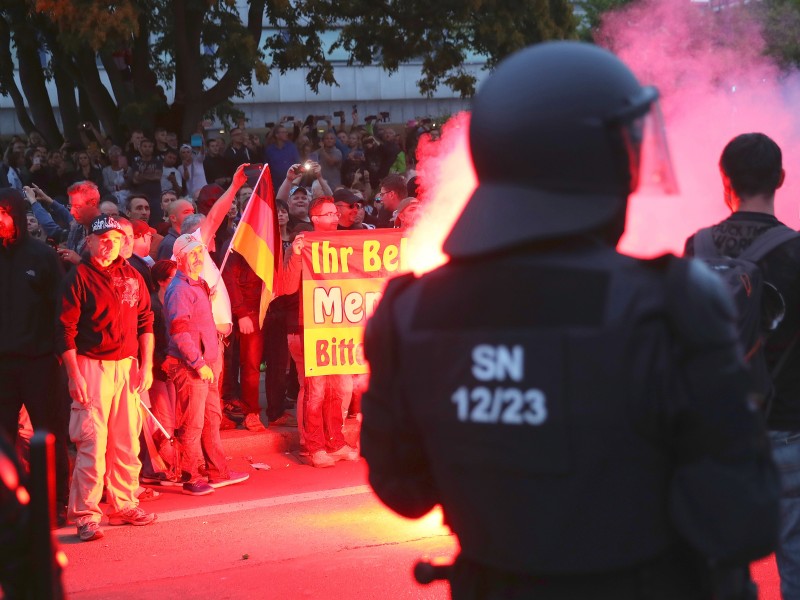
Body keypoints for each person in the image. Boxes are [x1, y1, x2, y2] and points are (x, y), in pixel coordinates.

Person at [361, 41, 779, 599]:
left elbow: (403, 488)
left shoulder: (409, 310)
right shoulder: (673, 303)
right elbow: (742, 520)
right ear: (603, 160)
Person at [684, 132, 800, 599]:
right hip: (789, 433)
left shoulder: (697, 248)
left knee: (718, 574)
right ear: (781, 179)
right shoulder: (797, 252)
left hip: (718, 439)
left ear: (724, 182)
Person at [57, 214, 157, 542]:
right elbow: (65, 330)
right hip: (91, 366)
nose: (109, 244)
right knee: (92, 441)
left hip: (127, 365)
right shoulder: (79, 276)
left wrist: (147, 365)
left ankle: (124, 504)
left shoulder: (132, 275)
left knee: (127, 439)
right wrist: (75, 376)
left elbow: (146, 320)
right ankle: (86, 515)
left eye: (115, 238)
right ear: (89, 242)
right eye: (103, 239)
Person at [0, 187, 69, 527]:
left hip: (40, 360)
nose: (0, 220)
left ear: (15, 214)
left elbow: (60, 307)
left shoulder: (42, 255)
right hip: (3, 364)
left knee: (48, 433)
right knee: (3, 440)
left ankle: (55, 503)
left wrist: (58, 352)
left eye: (4, 212)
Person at [164, 234, 249, 495]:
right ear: (179, 258)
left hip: (208, 363)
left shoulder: (197, 283)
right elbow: (180, 332)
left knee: (212, 418)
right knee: (193, 423)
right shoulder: (178, 289)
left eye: (200, 253)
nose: (198, 258)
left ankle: (217, 471)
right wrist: (198, 362)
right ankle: (191, 476)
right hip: (193, 366)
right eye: (192, 254)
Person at [283, 197, 359, 467]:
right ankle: (313, 446)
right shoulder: (302, 245)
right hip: (313, 326)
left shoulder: (348, 244)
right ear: (314, 219)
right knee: (315, 390)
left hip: (341, 325)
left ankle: (335, 442)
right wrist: (293, 255)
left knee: (337, 388)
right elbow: (288, 287)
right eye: (328, 214)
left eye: (336, 213)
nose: (335, 218)